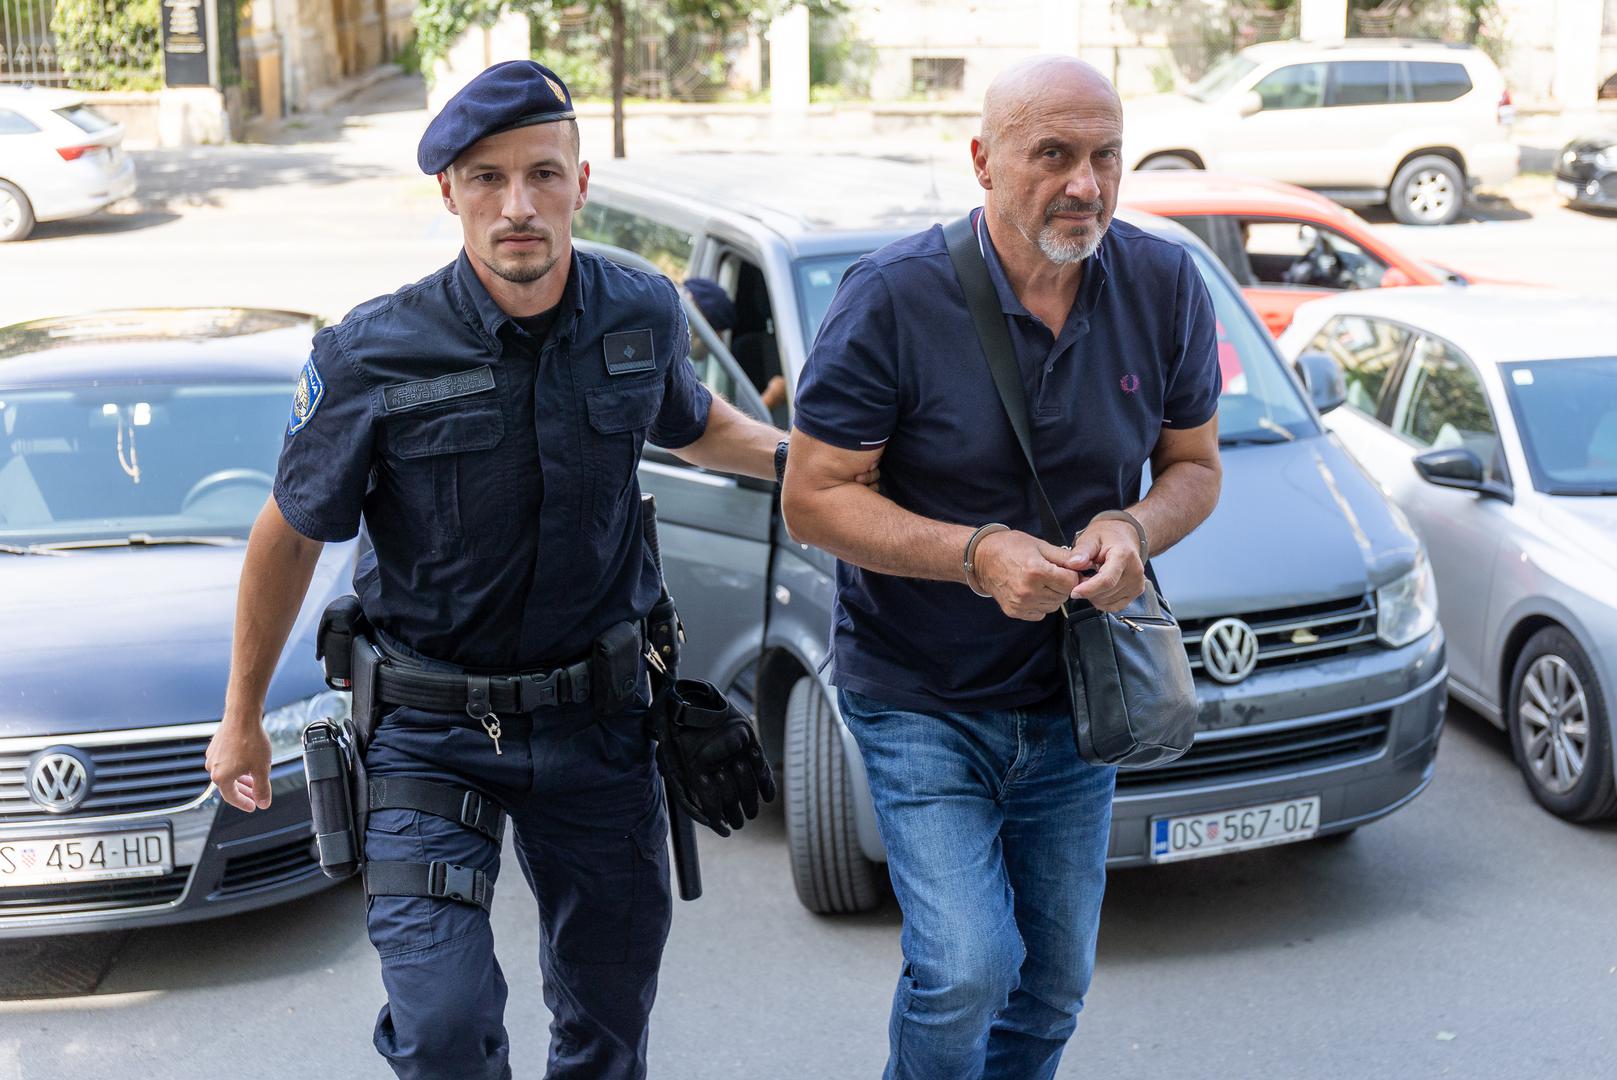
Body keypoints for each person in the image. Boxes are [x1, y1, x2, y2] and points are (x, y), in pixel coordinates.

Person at [203, 60, 788, 1080]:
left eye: (541, 175)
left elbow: (704, 429)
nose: (516, 206)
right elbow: (289, 536)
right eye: (485, 178)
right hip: (430, 733)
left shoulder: (640, 312)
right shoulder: (371, 353)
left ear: (581, 182)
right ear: (449, 192)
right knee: (443, 1026)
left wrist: (830, 468)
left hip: (598, 725)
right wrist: (241, 714)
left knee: (610, 1019)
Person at [781, 56, 1223, 1080]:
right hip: (921, 698)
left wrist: (1137, 528)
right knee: (967, 969)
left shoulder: (1163, 282)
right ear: (982, 161)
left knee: (1053, 985)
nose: (1086, 184)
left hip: (1077, 701)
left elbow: (1194, 468)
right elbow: (813, 497)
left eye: (1107, 157)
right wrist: (976, 557)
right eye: (1054, 155)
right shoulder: (889, 297)